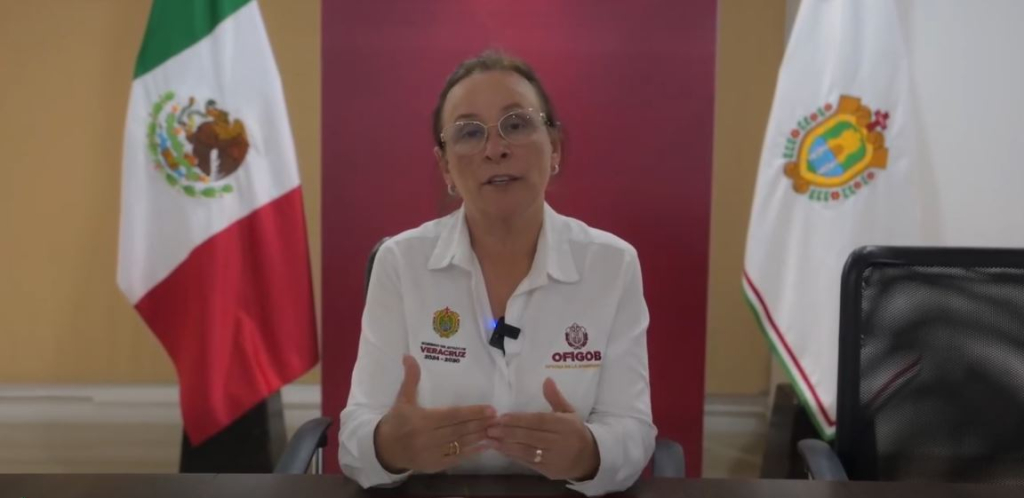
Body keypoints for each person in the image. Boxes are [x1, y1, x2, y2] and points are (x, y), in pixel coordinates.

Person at [338, 50, 655, 496]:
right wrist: (390, 446)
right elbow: (354, 439)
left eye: (517, 124)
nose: (495, 149)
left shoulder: (611, 265)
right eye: (469, 133)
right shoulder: (401, 263)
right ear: (446, 167)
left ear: (555, 148)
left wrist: (591, 453)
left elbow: (634, 431)